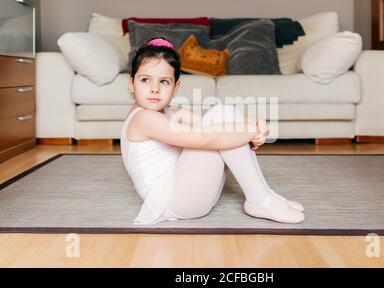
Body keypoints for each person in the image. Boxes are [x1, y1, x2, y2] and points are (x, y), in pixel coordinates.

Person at [120, 37, 305, 226]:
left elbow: (214, 122)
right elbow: (206, 138)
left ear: (175, 88)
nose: (154, 89)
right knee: (219, 121)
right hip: (173, 202)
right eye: (145, 80)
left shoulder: (168, 112)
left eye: (164, 82)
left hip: (189, 194)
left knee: (222, 112)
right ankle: (260, 200)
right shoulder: (143, 119)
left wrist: (253, 125)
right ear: (131, 83)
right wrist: (248, 132)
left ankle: (264, 195)